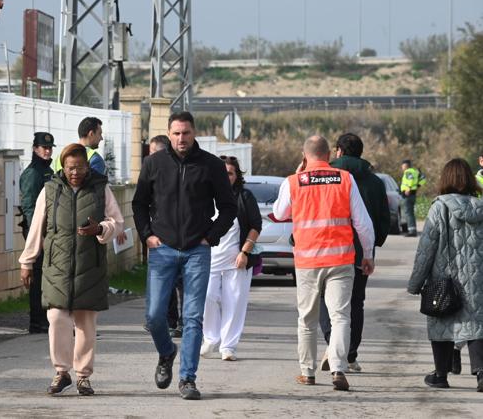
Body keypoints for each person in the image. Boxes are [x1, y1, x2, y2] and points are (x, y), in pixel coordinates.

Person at [133, 111, 237, 400]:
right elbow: (139, 204)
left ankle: (187, 379)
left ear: (194, 133)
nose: (181, 138)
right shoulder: (154, 164)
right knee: (154, 317)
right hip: (162, 249)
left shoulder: (211, 166)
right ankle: (167, 352)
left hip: (197, 251)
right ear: (169, 134)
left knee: (193, 318)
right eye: (176, 133)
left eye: (186, 133)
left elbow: (229, 207)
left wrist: (209, 237)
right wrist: (147, 235)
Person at [19, 143, 124, 396]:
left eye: (79, 167)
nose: (74, 172)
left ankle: (83, 376)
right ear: (62, 167)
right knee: (56, 318)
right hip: (57, 265)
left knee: (86, 324)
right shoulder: (50, 189)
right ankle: (61, 372)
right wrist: (27, 261)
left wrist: (100, 229)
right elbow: (37, 227)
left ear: (87, 167)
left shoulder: (100, 188)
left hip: (90, 266)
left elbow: (117, 223)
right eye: (69, 167)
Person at [273, 135, 375, 391]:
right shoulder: (345, 179)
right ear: (329, 155)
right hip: (340, 260)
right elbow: (363, 223)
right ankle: (338, 369)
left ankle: (307, 372)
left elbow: (279, 213)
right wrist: (368, 255)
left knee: (306, 319)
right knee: (341, 316)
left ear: (304, 156)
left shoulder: (294, 182)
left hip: (307, 261)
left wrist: (296, 174)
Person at [407, 158, 483, 391]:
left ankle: (441, 374)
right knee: (477, 322)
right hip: (477, 277)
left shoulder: (439, 207)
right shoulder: (481, 207)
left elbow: (426, 249)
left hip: (444, 279)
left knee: (441, 321)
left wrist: (415, 282)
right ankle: (481, 373)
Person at [319, 133, 391, 373]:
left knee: (325, 301)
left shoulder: (325, 177)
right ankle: (349, 355)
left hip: (327, 249)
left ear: (338, 151)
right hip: (361, 253)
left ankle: (332, 345)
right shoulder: (375, 182)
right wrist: (373, 245)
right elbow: (382, 221)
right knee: (355, 303)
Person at [201, 156, 262, 361]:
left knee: (234, 303)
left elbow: (255, 226)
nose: (226, 177)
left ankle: (228, 346)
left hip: (236, 260)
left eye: (230, 173)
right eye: (223, 172)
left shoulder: (244, 197)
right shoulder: (206, 197)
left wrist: (244, 252)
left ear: (237, 176)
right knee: (207, 297)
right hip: (209, 259)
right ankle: (210, 338)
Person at [19, 132, 56, 334]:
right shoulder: (33, 173)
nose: (47, 150)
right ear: (35, 149)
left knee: (46, 276)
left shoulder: (48, 170)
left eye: (50, 148)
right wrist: (38, 236)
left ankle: (46, 319)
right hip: (36, 231)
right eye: (44, 147)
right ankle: (37, 321)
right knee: (38, 276)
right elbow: (29, 207)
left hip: (47, 231)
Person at [147, 135, 184, 337]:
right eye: (151, 152)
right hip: (158, 237)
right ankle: (167, 321)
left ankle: (184, 322)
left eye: (157, 152)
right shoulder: (150, 171)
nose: (153, 156)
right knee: (163, 284)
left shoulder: (174, 170)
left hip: (180, 237)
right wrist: (147, 233)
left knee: (182, 284)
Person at [399, 159, 426, 237]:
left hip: (407, 194)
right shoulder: (416, 171)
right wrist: (417, 186)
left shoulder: (408, 172)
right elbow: (423, 179)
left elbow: (410, 179)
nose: (402, 167)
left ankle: (412, 231)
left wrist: (409, 188)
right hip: (413, 194)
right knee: (410, 213)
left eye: (402, 166)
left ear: (405, 166)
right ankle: (412, 229)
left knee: (408, 213)